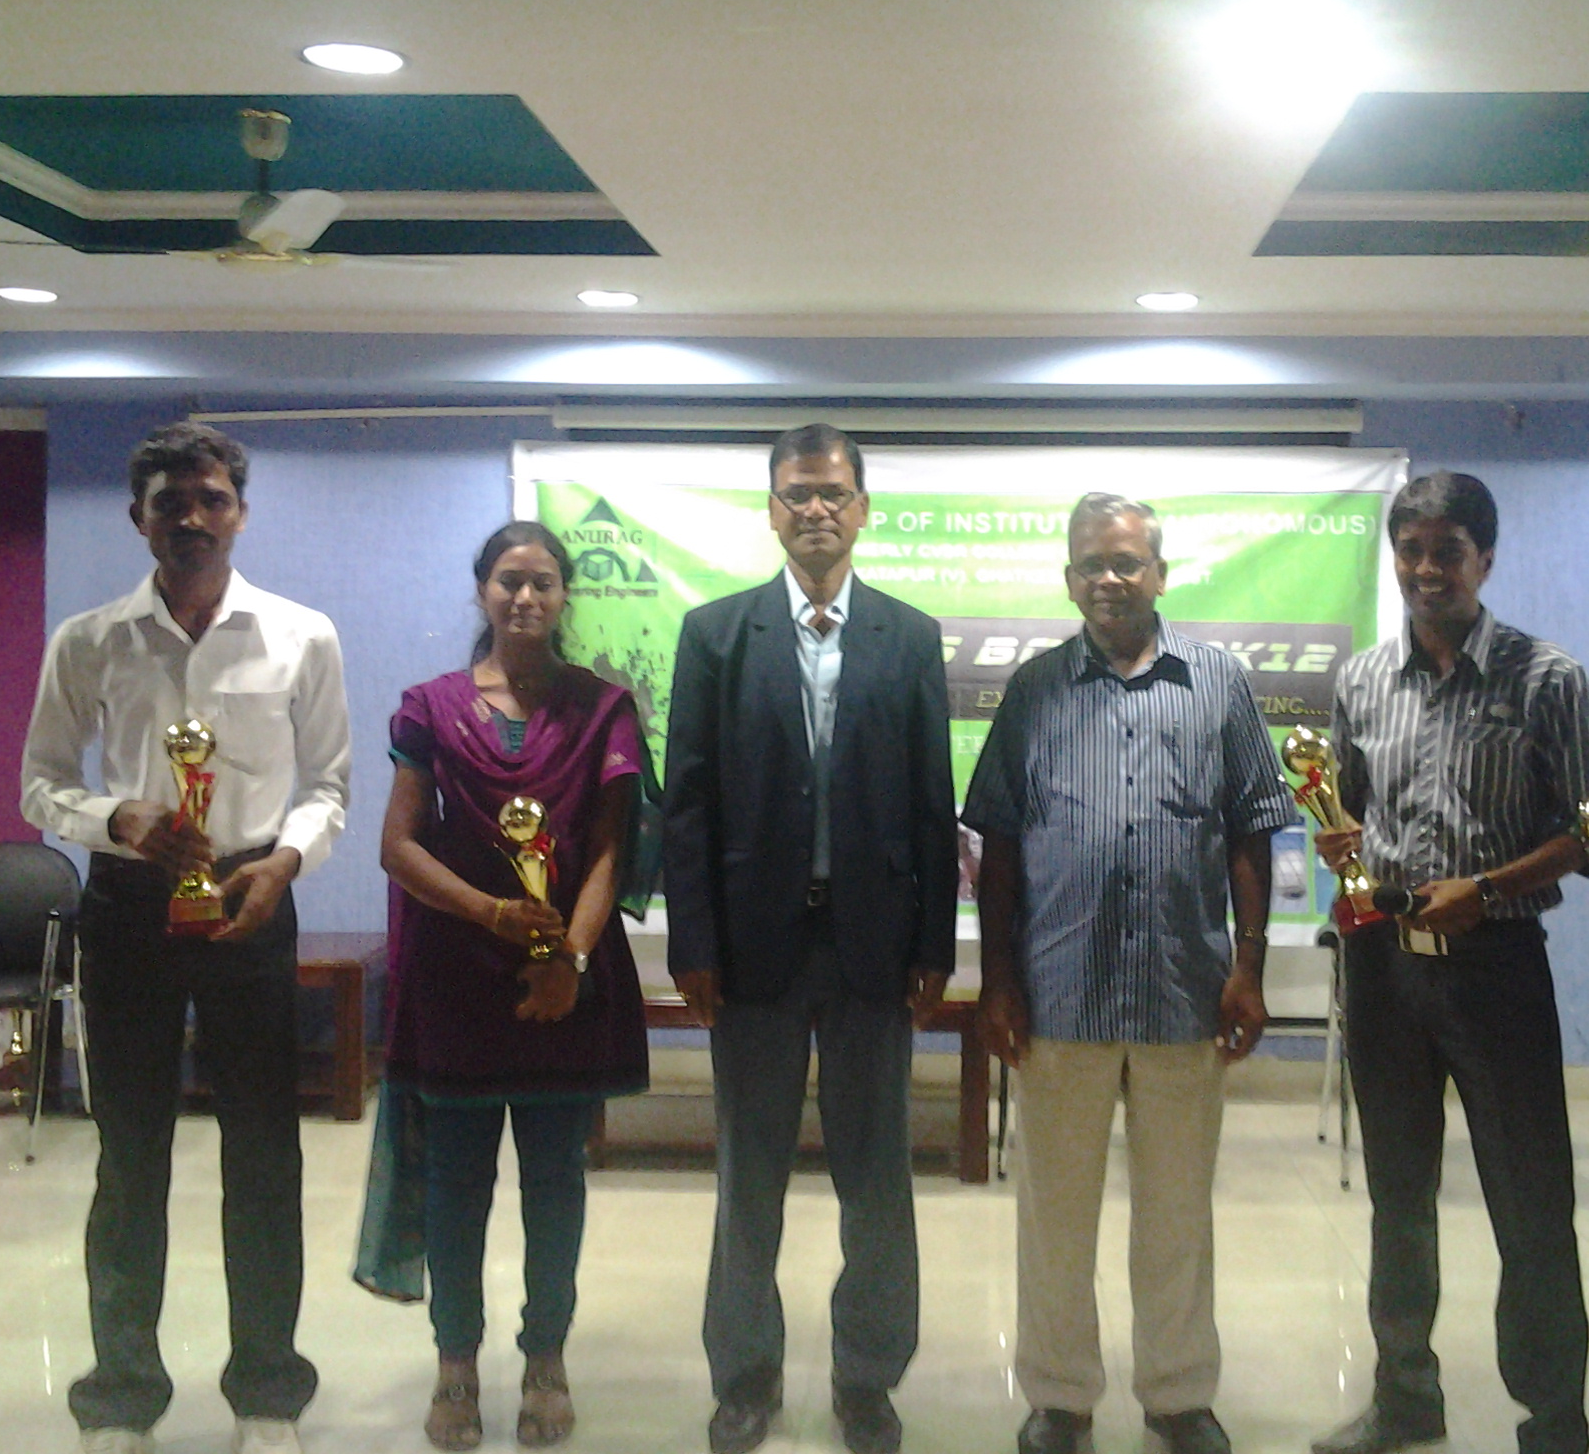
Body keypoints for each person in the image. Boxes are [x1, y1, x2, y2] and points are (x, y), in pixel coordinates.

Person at [20, 422, 351, 1454]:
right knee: (130, 1151)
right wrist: (115, 817)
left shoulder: (301, 635)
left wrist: (285, 863)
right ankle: (122, 1392)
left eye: (212, 500)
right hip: (129, 905)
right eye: (172, 502)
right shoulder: (89, 641)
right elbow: (40, 783)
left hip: (251, 896)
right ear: (140, 519)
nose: (194, 519)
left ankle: (267, 1391)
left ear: (240, 514)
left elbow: (329, 787)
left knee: (265, 1150)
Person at [962, 492, 1296, 1454]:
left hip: (1186, 991)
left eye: (1126, 562)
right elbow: (1000, 844)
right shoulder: (1034, 689)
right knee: (1054, 1218)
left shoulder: (1219, 683)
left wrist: (1250, 967)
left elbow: (1252, 830)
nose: (1108, 579)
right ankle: (1060, 1398)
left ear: (1160, 573)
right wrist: (998, 982)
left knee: (1178, 1216)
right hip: (1058, 994)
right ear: (1069, 580)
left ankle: (1178, 1396)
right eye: (1090, 564)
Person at [662, 423, 958, 1454]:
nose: (816, 510)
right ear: (772, 511)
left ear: (863, 509)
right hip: (752, 952)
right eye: (797, 494)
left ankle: (867, 1380)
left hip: (874, 948)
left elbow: (932, 801)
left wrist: (936, 946)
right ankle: (744, 1378)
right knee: (748, 1176)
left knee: (876, 1179)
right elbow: (687, 802)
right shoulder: (714, 635)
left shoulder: (908, 637)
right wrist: (691, 944)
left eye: (833, 493)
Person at [1310, 472, 1589, 1454]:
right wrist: (1342, 843)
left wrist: (1486, 887)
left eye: (1447, 550)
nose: (1426, 569)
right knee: (1397, 1197)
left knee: (1531, 1203)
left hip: (1496, 965)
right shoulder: (1360, 679)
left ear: (1485, 558)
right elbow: (1350, 810)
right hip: (1384, 969)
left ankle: (1552, 1419)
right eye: (1410, 549)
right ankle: (1404, 1398)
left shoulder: (1545, 679)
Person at [370, 520, 652, 1450]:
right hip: (456, 978)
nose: (525, 597)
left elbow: (609, 850)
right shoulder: (431, 707)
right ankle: (455, 1364)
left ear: (565, 596)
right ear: (482, 591)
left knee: (555, 1184)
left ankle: (545, 1361)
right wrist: (492, 914)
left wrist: (571, 961)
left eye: (542, 582)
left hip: (563, 978)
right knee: (456, 1185)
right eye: (508, 580)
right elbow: (398, 845)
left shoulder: (604, 708)